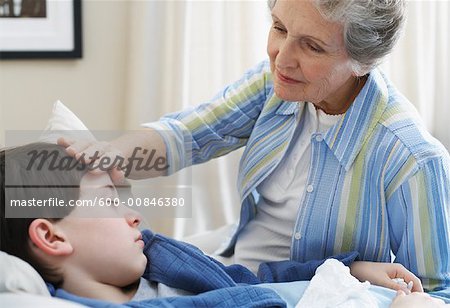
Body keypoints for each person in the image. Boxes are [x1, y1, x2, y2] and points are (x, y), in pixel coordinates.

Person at [59, 0, 449, 301]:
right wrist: (108, 153)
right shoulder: (277, 84)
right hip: (232, 269)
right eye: (279, 27)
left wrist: (363, 276)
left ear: (362, 62)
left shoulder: (411, 159)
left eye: (311, 46)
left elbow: (434, 293)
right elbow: (187, 135)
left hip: (301, 294)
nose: (282, 56)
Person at [2, 143, 446, 308]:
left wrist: (353, 269)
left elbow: (249, 280)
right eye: (107, 201)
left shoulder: (165, 264)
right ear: (51, 235)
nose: (133, 215)